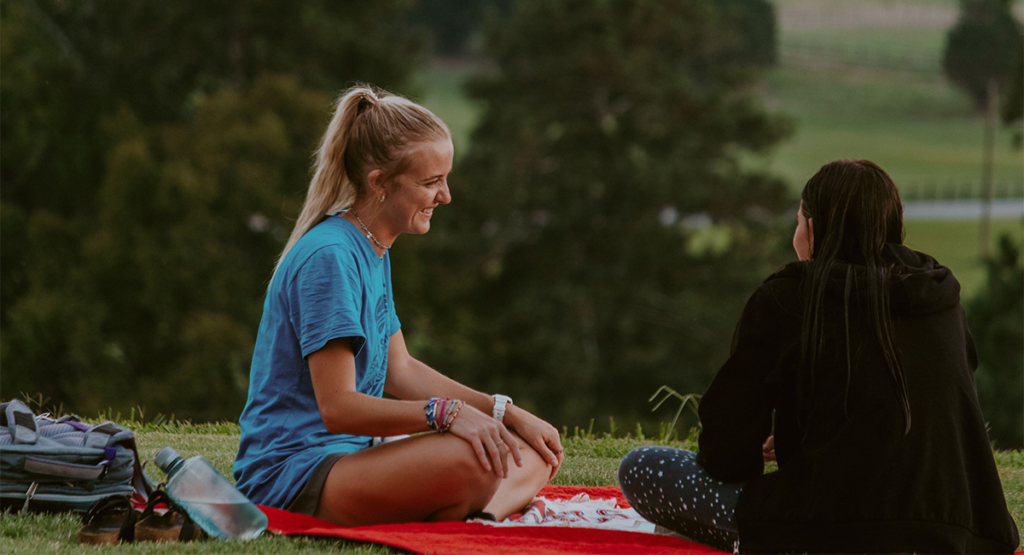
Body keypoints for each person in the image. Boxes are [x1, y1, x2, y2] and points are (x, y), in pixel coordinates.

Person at [618, 160, 1020, 553]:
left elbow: (726, 452)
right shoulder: (941, 299)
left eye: (797, 222)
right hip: (961, 532)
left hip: (830, 532)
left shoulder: (790, 298)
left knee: (642, 467)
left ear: (812, 228)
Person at [233, 85, 563, 526]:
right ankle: (478, 505)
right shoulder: (330, 257)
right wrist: (445, 415)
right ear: (379, 183)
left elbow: (399, 369)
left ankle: (482, 516)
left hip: (357, 457)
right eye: (431, 182)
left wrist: (504, 411)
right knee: (478, 457)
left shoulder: (372, 248)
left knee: (531, 447)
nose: (445, 196)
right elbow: (338, 408)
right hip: (296, 476)